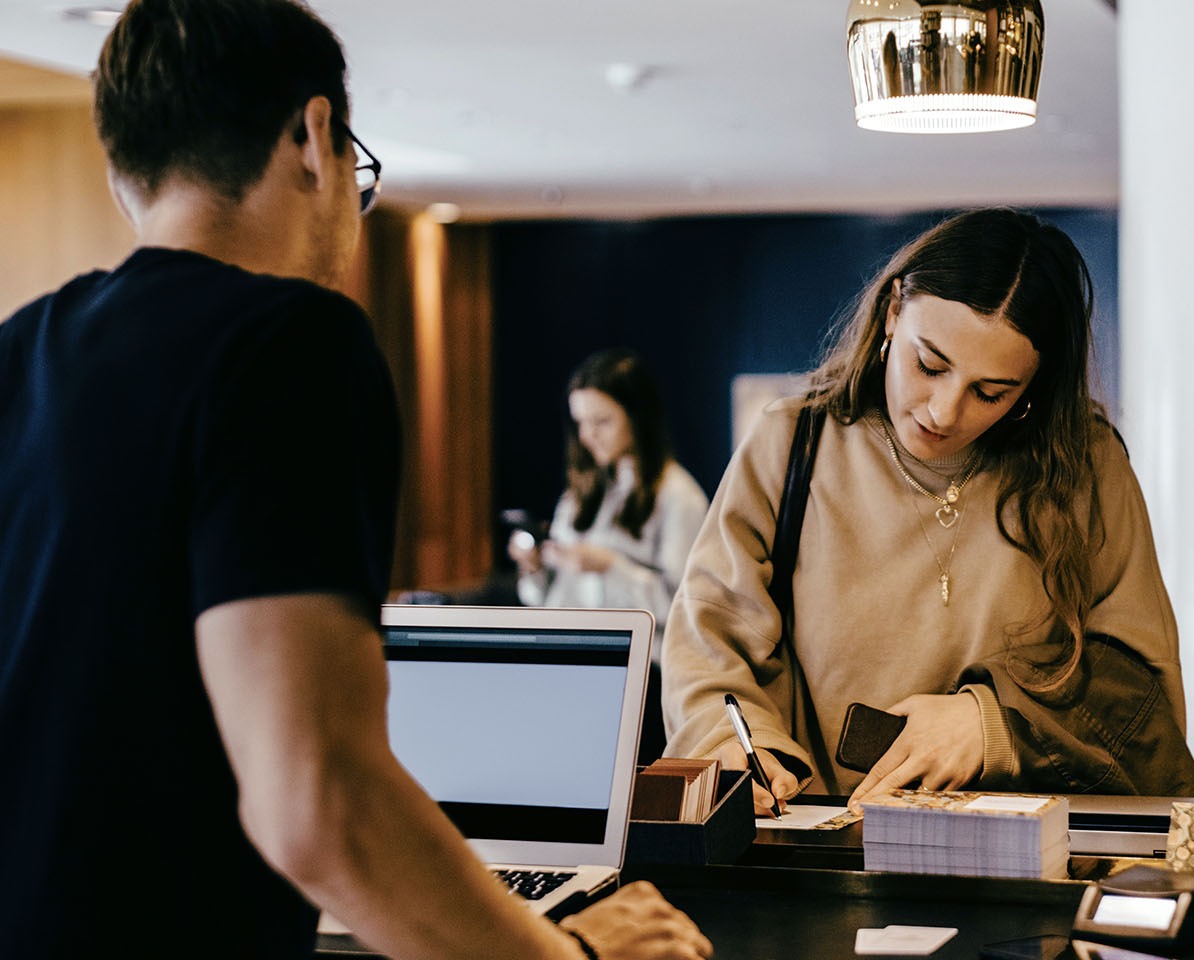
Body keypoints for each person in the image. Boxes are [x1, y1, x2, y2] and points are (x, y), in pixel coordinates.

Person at [0, 2, 710, 959]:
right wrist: (565, 955)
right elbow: (317, 795)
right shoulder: (290, 342)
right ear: (314, 134)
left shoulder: (17, 353)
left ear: (125, 165)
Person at [662, 208, 1194, 815]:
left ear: (1034, 386)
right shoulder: (791, 444)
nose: (944, 412)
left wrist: (990, 726)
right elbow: (709, 644)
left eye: (990, 392)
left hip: (1024, 860)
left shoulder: (1085, 466)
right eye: (930, 365)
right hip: (820, 846)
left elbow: (1142, 697)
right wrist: (741, 752)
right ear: (894, 312)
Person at [511, 348, 709, 761]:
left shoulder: (678, 497)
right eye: (581, 422)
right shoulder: (581, 494)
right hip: (570, 667)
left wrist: (609, 566)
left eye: (602, 421)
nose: (588, 436)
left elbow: (687, 608)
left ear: (637, 419)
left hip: (639, 677)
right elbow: (550, 601)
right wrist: (534, 572)